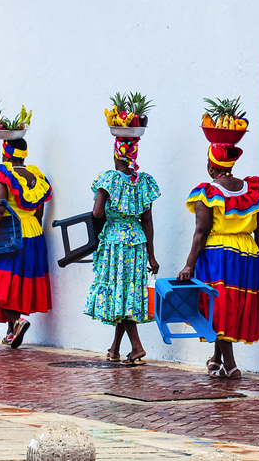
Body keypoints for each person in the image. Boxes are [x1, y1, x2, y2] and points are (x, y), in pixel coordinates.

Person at [177, 143, 259, 379]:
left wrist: (189, 264)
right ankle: (216, 359)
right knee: (231, 304)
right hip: (248, 252)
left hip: (218, 253)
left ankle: (230, 364)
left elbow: (201, 230)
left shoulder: (207, 192)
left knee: (218, 307)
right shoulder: (253, 190)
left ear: (210, 166)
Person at [84, 137, 160, 365]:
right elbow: (147, 220)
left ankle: (136, 347)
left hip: (116, 242)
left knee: (120, 293)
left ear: (117, 154)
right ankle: (115, 348)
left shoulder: (109, 179)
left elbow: (97, 213)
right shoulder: (143, 182)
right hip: (137, 242)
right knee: (126, 293)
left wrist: (111, 210)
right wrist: (151, 255)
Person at [0, 138, 52, 348]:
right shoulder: (36, 176)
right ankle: (11, 331)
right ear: (23, 155)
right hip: (33, 232)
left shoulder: (3, 176)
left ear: (5, 154)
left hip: (10, 232)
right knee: (17, 280)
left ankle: (18, 323)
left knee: (0, 280)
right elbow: (39, 210)